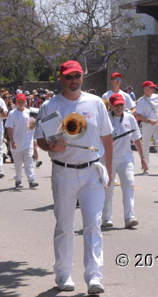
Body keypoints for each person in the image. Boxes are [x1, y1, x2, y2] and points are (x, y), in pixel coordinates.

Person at [35, 60, 113, 295]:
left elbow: (107, 140)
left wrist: (108, 170)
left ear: (82, 77)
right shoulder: (50, 106)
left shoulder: (96, 103)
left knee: (93, 225)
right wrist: (50, 147)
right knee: (65, 225)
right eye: (69, 77)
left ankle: (94, 277)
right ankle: (63, 273)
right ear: (61, 78)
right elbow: (41, 140)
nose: (73, 80)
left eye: (77, 76)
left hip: (92, 172)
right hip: (63, 170)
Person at [102, 93, 147, 229]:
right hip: (107, 159)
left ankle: (130, 216)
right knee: (107, 189)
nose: (119, 107)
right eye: (116, 105)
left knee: (129, 185)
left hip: (125, 158)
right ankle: (107, 218)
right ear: (111, 106)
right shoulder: (105, 119)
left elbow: (136, 138)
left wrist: (142, 157)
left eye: (121, 104)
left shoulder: (129, 118)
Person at [136, 81, 158, 175]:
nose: (153, 89)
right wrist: (148, 120)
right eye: (151, 88)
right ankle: (146, 167)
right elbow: (138, 115)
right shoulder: (141, 100)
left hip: (157, 124)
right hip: (146, 125)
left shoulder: (156, 97)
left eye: (153, 88)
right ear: (146, 89)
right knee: (146, 146)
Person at [5, 93, 39, 188]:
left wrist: (33, 125)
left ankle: (31, 180)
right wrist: (12, 141)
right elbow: (10, 128)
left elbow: (34, 126)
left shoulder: (30, 112)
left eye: (22, 102)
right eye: (19, 102)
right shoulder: (12, 113)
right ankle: (18, 180)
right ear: (16, 102)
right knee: (18, 164)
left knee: (28, 162)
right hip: (16, 142)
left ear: (25, 102)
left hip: (28, 142)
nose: (21, 103)